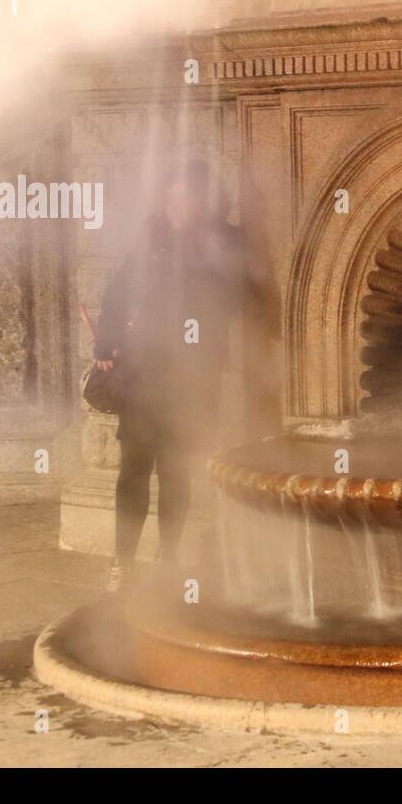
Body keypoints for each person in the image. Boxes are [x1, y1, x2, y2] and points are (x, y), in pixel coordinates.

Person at [93, 161, 246, 592]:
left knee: (176, 471)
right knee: (134, 470)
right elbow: (116, 295)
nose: (178, 206)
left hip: (193, 378)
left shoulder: (224, 243)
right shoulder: (150, 243)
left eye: (188, 198)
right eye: (172, 197)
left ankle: (169, 559)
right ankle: (122, 562)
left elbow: (232, 299)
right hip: (145, 374)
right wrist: (106, 344)